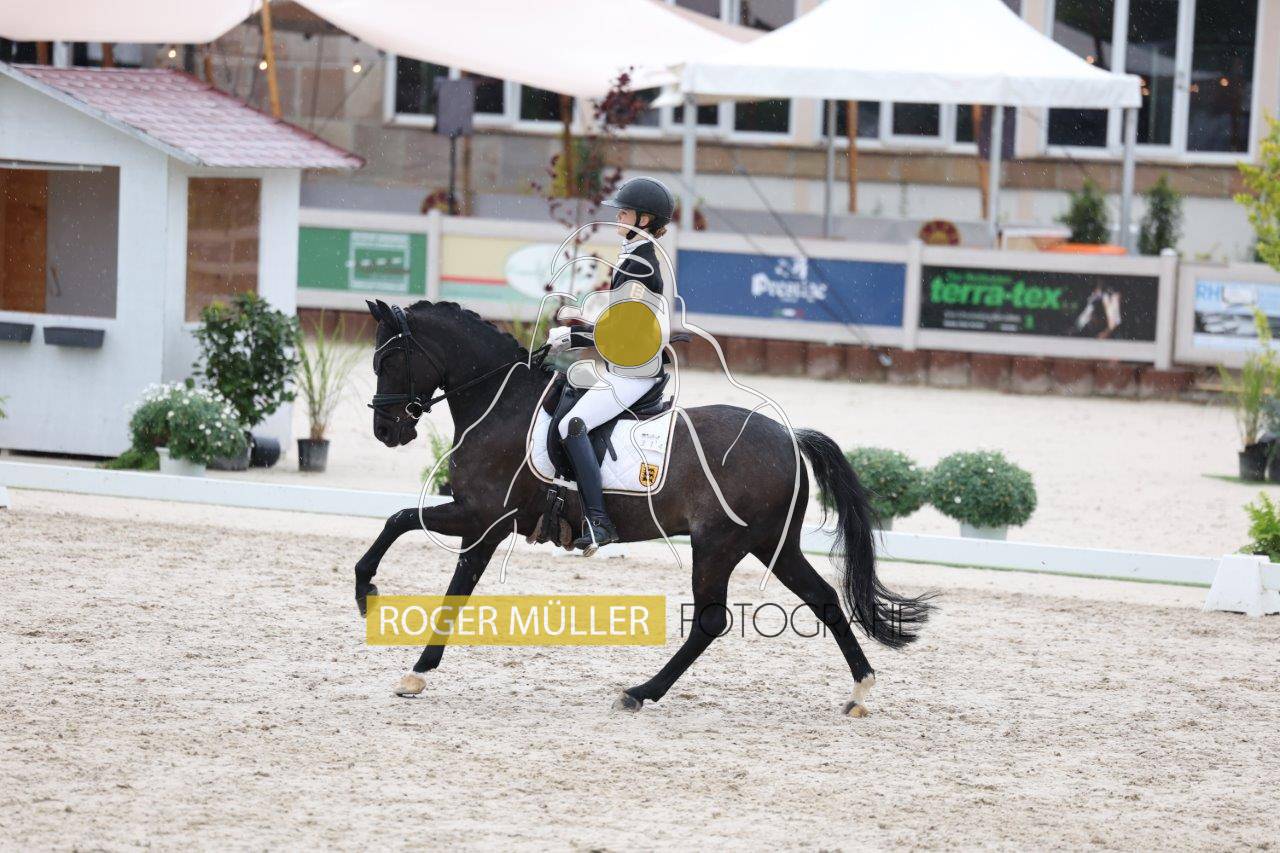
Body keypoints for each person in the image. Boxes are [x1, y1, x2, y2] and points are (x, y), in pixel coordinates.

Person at [545, 176, 674, 554]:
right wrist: (579, 331)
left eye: (625, 212)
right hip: (622, 364)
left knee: (572, 426)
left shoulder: (641, 265)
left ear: (645, 220)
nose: (618, 216)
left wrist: (574, 336)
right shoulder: (633, 256)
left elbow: (624, 332)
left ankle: (599, 522)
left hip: (635, 371)